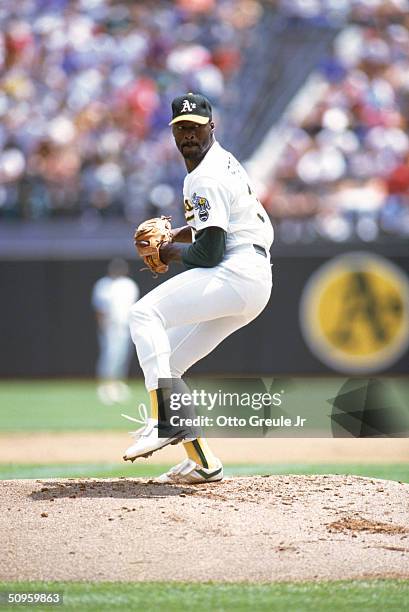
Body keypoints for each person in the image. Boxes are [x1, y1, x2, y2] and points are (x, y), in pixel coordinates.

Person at [123, 92, 274, 483]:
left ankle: (162, 420)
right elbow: (217, 225)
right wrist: (175, 234)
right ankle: (202, 461)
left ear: (211, 125)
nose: (188, 133)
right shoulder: (221, 160)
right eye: (181, 127)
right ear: (173, 133)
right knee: (169, 362)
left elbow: (209, 252)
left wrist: (168, 251)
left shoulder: (202, 177)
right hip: (252, 277)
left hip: (237, 270)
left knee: (143, 314)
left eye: (194, 125)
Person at [92, 258, 139, 405]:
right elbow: (100, 308)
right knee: (109, 357)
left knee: (122, 356)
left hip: (126, 326)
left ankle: (117, 385)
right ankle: (105, 387)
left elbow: (133, 307)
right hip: (110, 326)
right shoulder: (104, 284)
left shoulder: (129, 285)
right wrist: (103, 326)